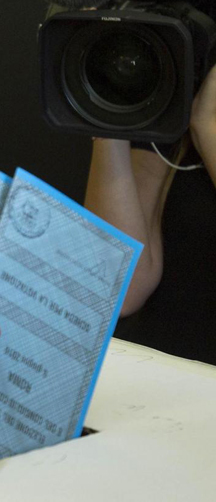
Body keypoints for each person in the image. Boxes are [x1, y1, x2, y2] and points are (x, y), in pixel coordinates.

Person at [84, 66, 216, 364]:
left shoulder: (203, 116)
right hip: (165, 389)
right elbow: (120, 290)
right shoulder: (175, 93)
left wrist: (207, 129)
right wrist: (107, 120)